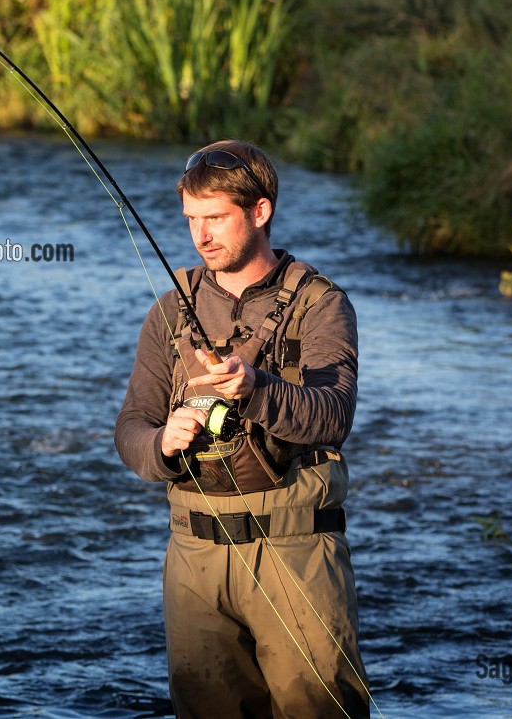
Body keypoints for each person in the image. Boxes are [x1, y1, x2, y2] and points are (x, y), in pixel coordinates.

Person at [115, 139, 370, 719]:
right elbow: (130, 427)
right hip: (193, 559)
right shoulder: (169, 311)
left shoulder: (322, 304)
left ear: (260, 211)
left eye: (216, 219)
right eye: (190, 220)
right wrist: (161, 443)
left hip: (296, 550)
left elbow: (334, 415)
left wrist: (255, 388)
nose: (201, 236)